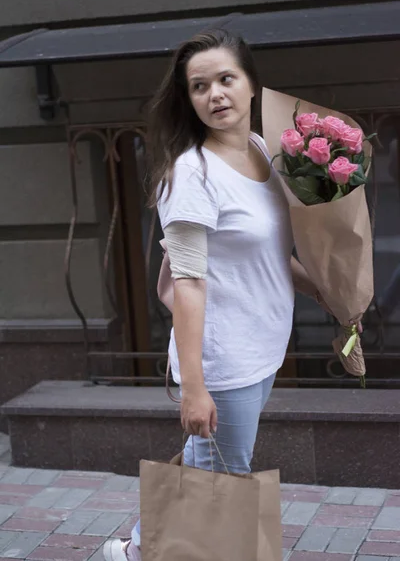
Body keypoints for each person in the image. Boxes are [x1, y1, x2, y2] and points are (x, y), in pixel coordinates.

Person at [103, 28, 328, 561]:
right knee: (227, 490)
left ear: (252, 85)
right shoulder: (190, 174)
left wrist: (329, 291)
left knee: (207, 462)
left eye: (226, 79)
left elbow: (271, 257)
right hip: (224, 360)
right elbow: (188, 281)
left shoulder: (261, 153)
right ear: (189, 99)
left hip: (263, 345)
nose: (215, 94)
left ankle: (137, 548)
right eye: (199, 86)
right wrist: (195, 389)